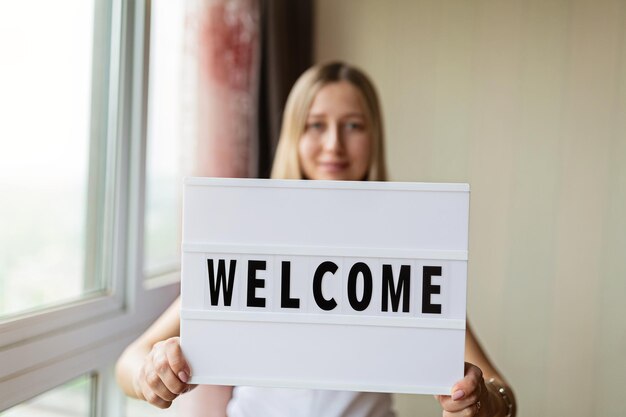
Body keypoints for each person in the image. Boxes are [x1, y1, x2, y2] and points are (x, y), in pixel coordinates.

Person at [115, 61, 517, 417]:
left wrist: (480, 402)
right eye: (316, 124)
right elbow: (129, 362)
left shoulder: (406, 253)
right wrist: (152, 373)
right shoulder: (251, 243)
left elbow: (503, 394)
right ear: (295, 134)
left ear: (373, 136)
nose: (333, 145)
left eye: (353, 125)